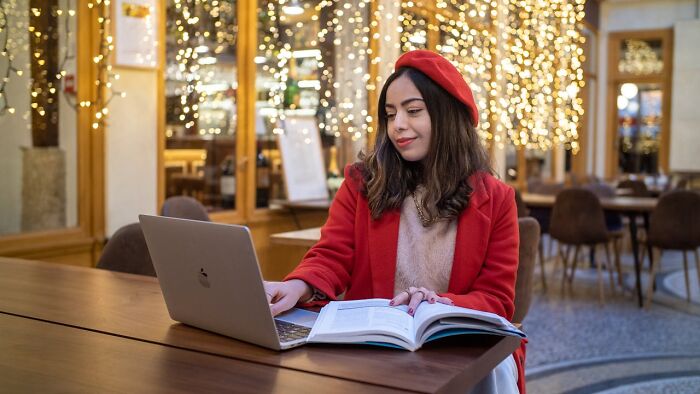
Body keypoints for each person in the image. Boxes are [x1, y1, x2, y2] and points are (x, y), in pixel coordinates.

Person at [265, 50, 523, 393]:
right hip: (372, 349)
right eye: (390, 114)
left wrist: (438, 304)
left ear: (446, 116)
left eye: (413, 111)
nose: (398, 124)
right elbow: (332, 255)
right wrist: (299, 286)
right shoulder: (363, 182)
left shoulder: (496, 200)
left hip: (456, 348)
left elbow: (496, 300)